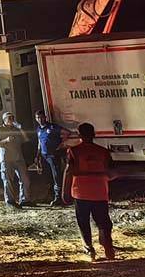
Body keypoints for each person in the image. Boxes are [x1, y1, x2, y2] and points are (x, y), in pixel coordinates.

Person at [62, 122, 118, 260]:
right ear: (94, 134)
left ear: (79, 135)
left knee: (83, 221)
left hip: (80, 192)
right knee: (103, 221)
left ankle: (89, 249)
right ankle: (108, 247)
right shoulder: (103, 152)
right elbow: (111, 172)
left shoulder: (73, 151)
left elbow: (69, 170)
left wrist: (64, 191)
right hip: (100, 191)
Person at [0, 111, 29, 208]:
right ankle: (10, 201)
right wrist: (6, 140)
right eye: (9, 118)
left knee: (25, 179)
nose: (11, 120)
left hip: (18, 158)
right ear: (4, 120)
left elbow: (25, 139)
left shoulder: (16, 129)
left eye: (12, 118)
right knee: (7, 180)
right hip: (6, 159)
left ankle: (25, 199)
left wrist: (21, 129)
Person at [34, 111, 69, 205]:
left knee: (56, 176)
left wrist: (61, 144)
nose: (40, 119)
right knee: (47, 176)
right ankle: (49, 195)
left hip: (53, 155)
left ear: (45, 117)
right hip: (44, 155)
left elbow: (66, 133)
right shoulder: (38, 129)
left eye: (41, 117)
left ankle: (59, 197)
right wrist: (37, 155)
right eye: (38, 118)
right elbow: (39, 143)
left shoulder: (52, 127)